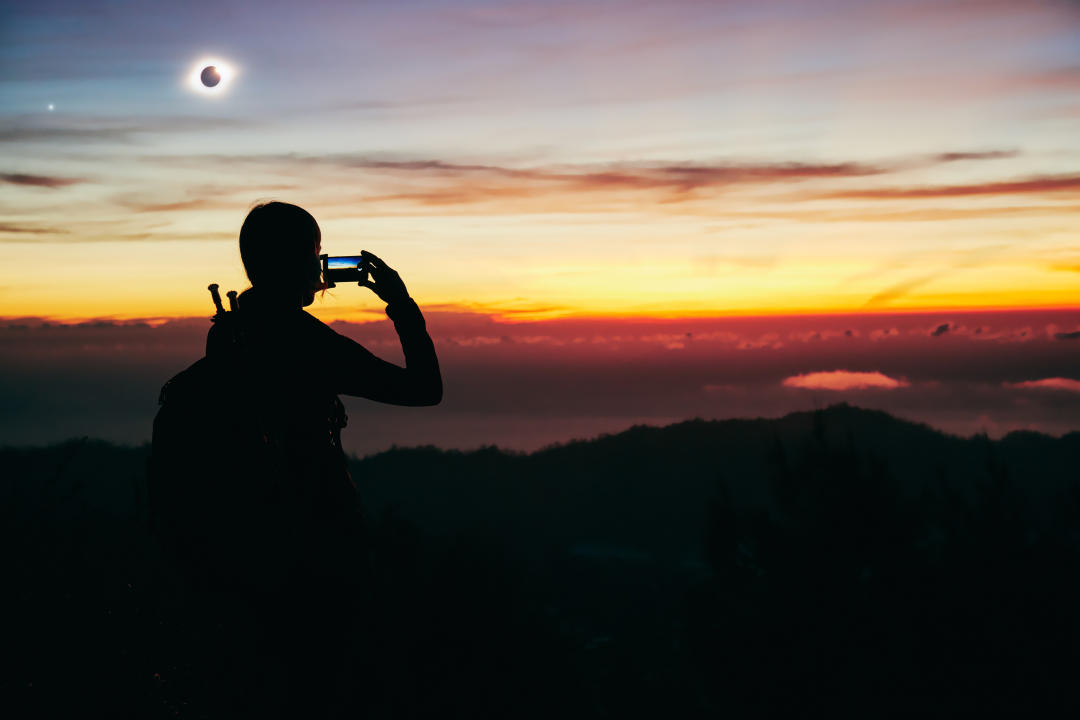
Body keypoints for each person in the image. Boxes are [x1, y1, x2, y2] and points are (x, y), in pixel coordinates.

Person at [150, 201, 441, 718]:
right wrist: (400, 302)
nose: (323, 267)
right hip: (314, 571)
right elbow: (423, 388)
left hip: (239, 571)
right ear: (293, 264)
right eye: (314, 254)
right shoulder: (305, 343)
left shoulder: (230, 339)